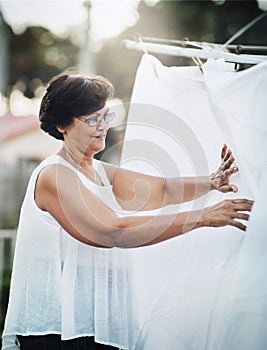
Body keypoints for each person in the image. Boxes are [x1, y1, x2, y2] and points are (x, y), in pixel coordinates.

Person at [2, 72, 253, 350]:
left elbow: (161, 191)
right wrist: (201, 217)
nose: (102, 127)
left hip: (95, 328)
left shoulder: (96, 170)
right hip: (58, 334)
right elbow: (111, 231)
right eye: (92, 119)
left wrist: (211, 183)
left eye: (105, 117)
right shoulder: (55, 175)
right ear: (62, 124)